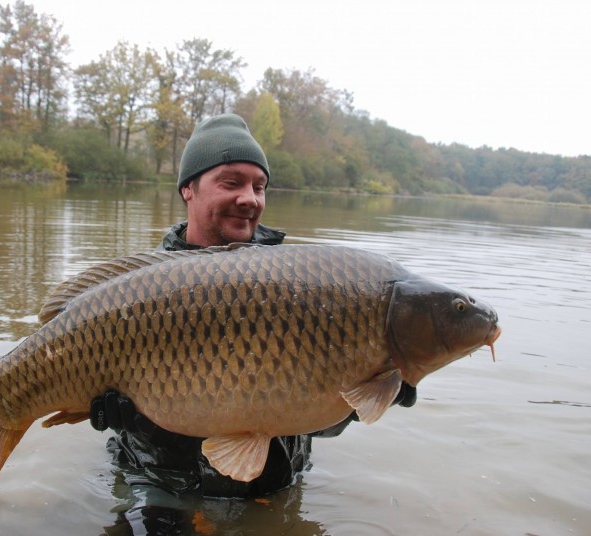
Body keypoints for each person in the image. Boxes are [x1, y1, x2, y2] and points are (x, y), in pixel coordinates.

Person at [89, 113, 416, 498]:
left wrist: (370, 392)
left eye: (259, 186)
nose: (250, 198)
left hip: (277, 488)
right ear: (188, 189)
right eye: (231, 183)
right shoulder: (133, 293)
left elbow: (315, 417)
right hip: (162, 488)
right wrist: (139, 427)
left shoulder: (300, 288)